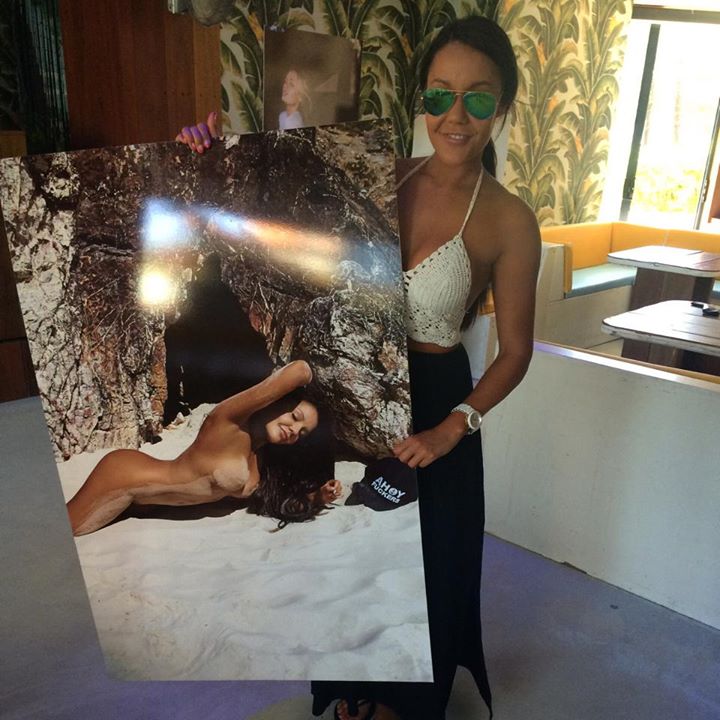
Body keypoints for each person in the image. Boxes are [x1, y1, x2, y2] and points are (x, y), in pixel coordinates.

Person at [177, 15, 540, 720]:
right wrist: (206, 151)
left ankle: (406, 706)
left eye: (477, 98)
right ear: (421, 99)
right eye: (439, 95)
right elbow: (271, 222)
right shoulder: (380, 176)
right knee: (350, 554)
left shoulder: (509, 220)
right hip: (353, 387)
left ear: (503, 105)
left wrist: (452, 428)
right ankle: (352, 689)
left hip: (437, 402)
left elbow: (517, 351)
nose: (455, 116)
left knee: (430, 568)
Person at [66, 360, 342, 536]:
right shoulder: (227, 422)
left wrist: (318, 497)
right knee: (62, 532)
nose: (294, 429)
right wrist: (320, 389)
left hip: (146, 504)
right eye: (295, 416)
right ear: (276, 402)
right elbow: (298, 371)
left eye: (302, 432)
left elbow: (277, 502)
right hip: (124, 477)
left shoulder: (260, 461)